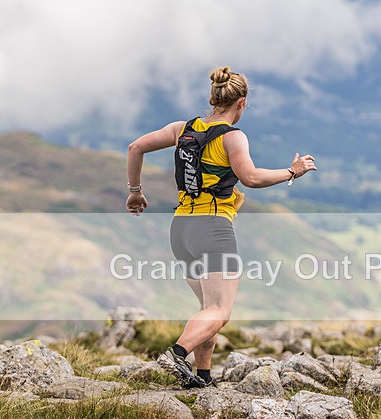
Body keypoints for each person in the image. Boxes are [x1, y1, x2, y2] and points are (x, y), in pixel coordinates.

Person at [125, 66, 317, 388]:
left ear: (213, 97)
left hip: (180, 229)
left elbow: (135, 148)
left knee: (206, 310)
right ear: (241, 103)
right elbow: (251, 178)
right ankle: (176, 353)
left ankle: (202, 376)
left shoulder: (181, 129)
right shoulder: (232, 137)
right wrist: (291, 171)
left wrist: (135, 192)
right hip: (212, 228)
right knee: (219, 311)